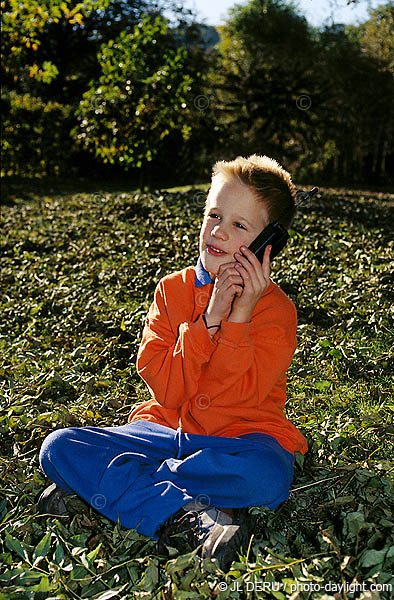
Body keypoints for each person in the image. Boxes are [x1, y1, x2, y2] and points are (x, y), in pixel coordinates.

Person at [37, 154, 307, 571]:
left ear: (267, 243)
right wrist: (209, 320)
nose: (217, 231)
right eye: (214, 214)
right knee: (59, 446)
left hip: (240, 438)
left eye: (240, 225)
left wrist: (238, 316)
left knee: (268, 476)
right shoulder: (171, 291)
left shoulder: (276, 312)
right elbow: (167, 390)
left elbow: (240, 394)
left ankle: (117, 485)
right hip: (163, 428)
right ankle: (188, 511)